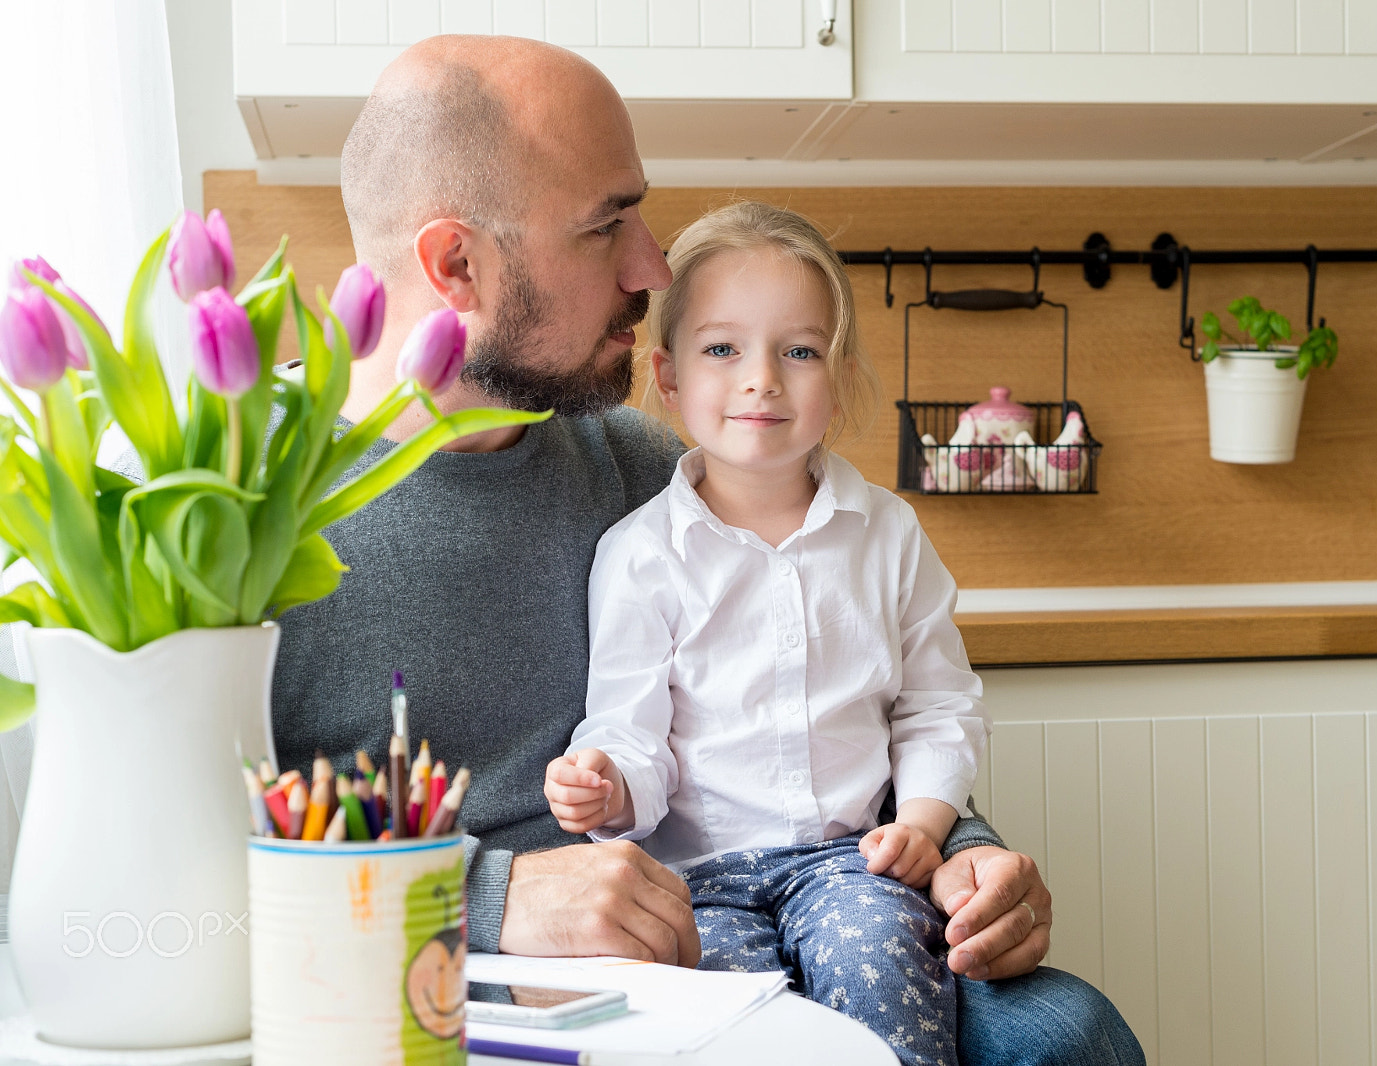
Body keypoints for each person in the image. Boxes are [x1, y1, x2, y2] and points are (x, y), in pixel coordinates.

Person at [270, 33, 1143, 1065]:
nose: (654, 265)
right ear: (455, 264)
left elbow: (831, 700)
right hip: (448, 973)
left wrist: (963, 851)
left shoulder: (650, 471)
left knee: (1064, 1034)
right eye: (608, 227)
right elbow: (183, 884)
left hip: (754, 907)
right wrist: (489, 897)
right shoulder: (242, 515)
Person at [544, 202, 985, 1066]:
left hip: (846, 864)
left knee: (883, 964)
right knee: (729, 1028)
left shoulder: (888, 535)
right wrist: (606, 787)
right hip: (694, 884)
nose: (761, 380)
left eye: (799, 350)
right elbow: (630, 732)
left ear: (840, 374)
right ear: (667, 378)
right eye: (722, 349)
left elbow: (938, 708)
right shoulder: (637, 557)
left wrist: (927, 826)